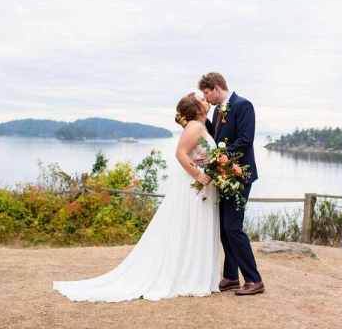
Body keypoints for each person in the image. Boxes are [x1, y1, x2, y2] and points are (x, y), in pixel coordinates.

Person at [53, 93, 221, 302]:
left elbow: (200, 154)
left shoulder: (202, 126)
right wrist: (199, 174)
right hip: (196, 187)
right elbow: (180, 154)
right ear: (197, 109)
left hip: (203, 188)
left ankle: (196, 274)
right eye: (201, 99)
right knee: (192, 227)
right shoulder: (195, 126)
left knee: (196, 229)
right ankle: (189, 276)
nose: (206, 99)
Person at [198, 72, 264, 296]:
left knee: (233, 227)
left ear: (217, 88)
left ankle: (254, 279)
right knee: (225, 229)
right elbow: (216, 138)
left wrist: (219, 156)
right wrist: (200, 118)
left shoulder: (244, 105)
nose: (206, 98)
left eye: (206, 93)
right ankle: (231, 277)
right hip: (224, 176)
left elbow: (245, 141)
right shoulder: (217, 110)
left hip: (240, 175)